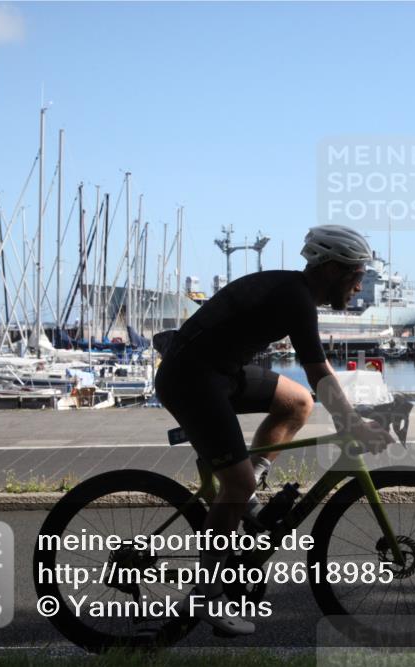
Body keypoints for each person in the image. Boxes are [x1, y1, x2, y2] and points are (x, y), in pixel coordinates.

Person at [154, 224, 394, 635]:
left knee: (297, 402)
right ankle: (207, 595)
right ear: (334, 269)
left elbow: (316, 377)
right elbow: (317, 367)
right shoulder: (295, 297)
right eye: (357, 274)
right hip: (191, 378)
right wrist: (351, 422)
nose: (359, 285)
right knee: (236, 484)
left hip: (218, 372)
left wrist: (348, 415)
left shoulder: (295, 293)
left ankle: (247, 494)